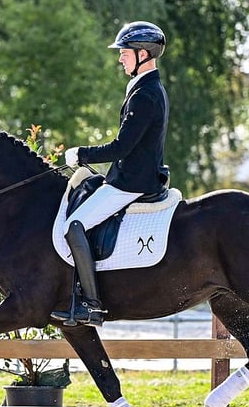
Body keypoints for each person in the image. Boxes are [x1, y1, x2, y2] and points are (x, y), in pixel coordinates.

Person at [51, 21, 170, 327]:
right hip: (129, 176)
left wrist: (82, 154)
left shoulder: (146, 94)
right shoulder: (146, 87)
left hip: (131, 183)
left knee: (74, 225)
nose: (120, 58)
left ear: (143, 53)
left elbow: (121, 147)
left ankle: (91, 305)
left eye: (125, 53)